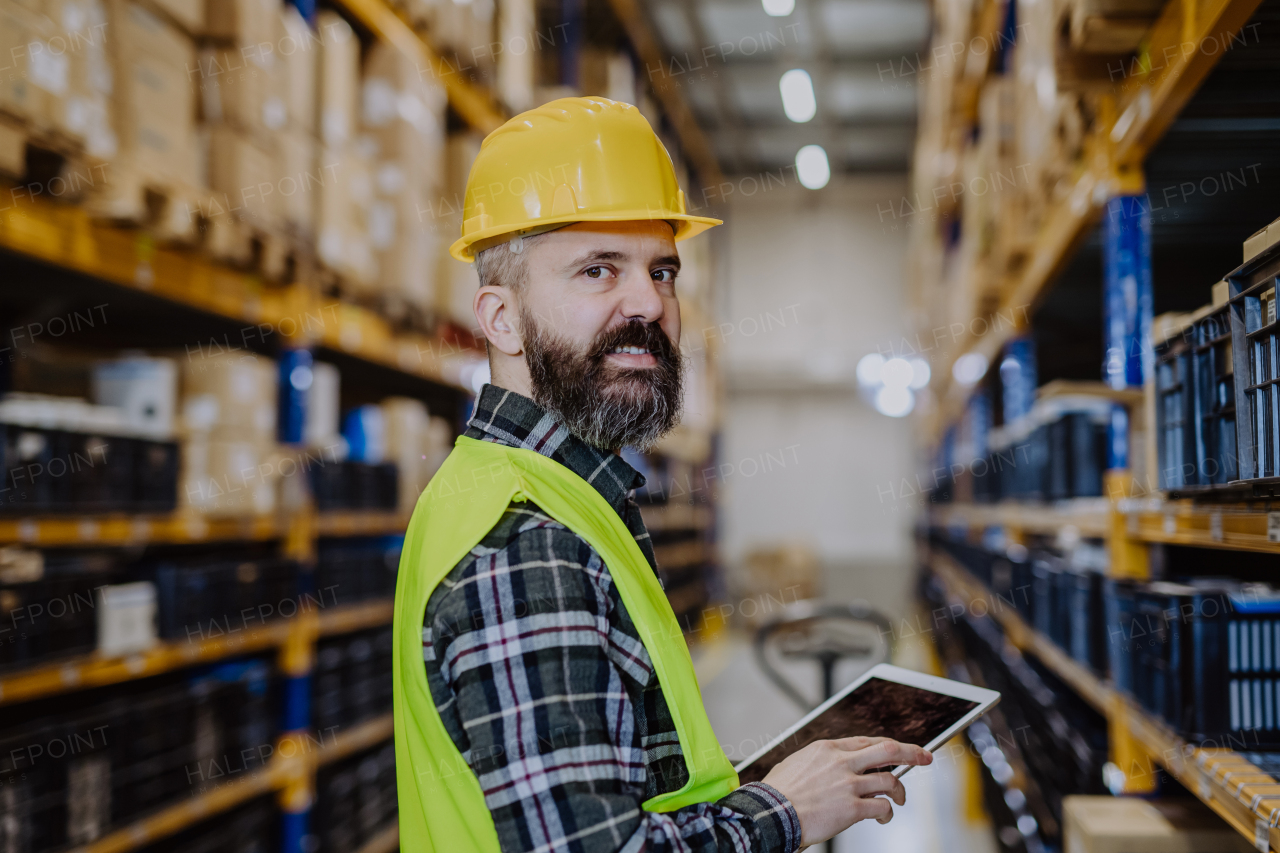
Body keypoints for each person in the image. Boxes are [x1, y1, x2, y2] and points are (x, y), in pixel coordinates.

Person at [392, 96, 932, 853]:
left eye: (663, 269)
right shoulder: (528, 542)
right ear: (501, 319)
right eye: (597, 269)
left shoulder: (554, 497)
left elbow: (617, 795)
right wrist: (786, 811)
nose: (649, 301)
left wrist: (772, 782)